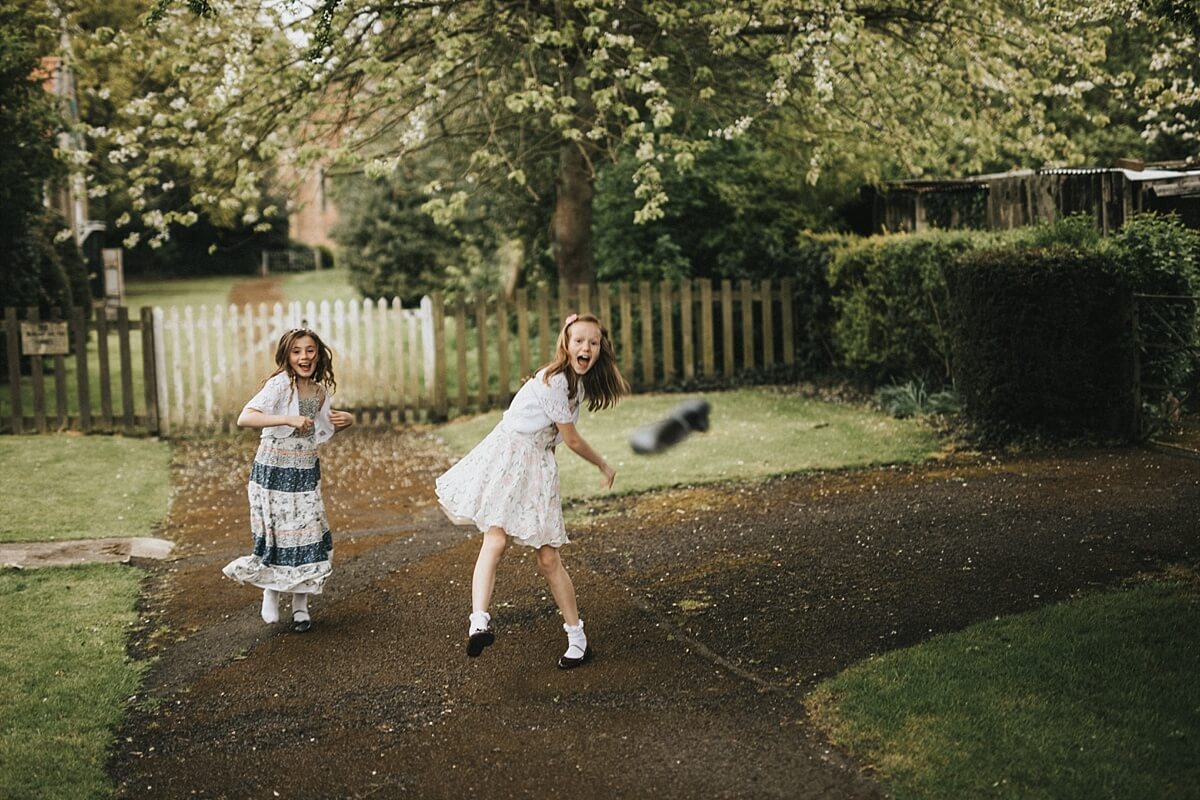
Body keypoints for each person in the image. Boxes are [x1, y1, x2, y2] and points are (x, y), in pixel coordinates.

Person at [436, 312, 631, 668]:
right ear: (566, 345)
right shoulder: (554, 381)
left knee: (547, 557)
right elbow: (570, 439)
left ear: (601, 348)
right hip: (508, 459)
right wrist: (603, 464)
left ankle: (577, 638)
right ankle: (478, 623)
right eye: (579, 341)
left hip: (537, 465)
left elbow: (555, 439)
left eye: (593, 342)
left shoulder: (578, 386)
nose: (585, 347)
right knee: (494, 540)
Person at [222, 327, 354, 632]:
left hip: (305, 471)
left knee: (306, 532)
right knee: (279, 533)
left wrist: (347, 421)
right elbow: (246, 417)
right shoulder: (281, 386)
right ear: (287, 356)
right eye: (296, 351)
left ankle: (300, 606)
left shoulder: (319, 392)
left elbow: (314, 431)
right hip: (274, 470)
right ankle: (270, 590)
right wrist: (286, 418)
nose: (303, 357)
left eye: (309, 350)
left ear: (318, 354)